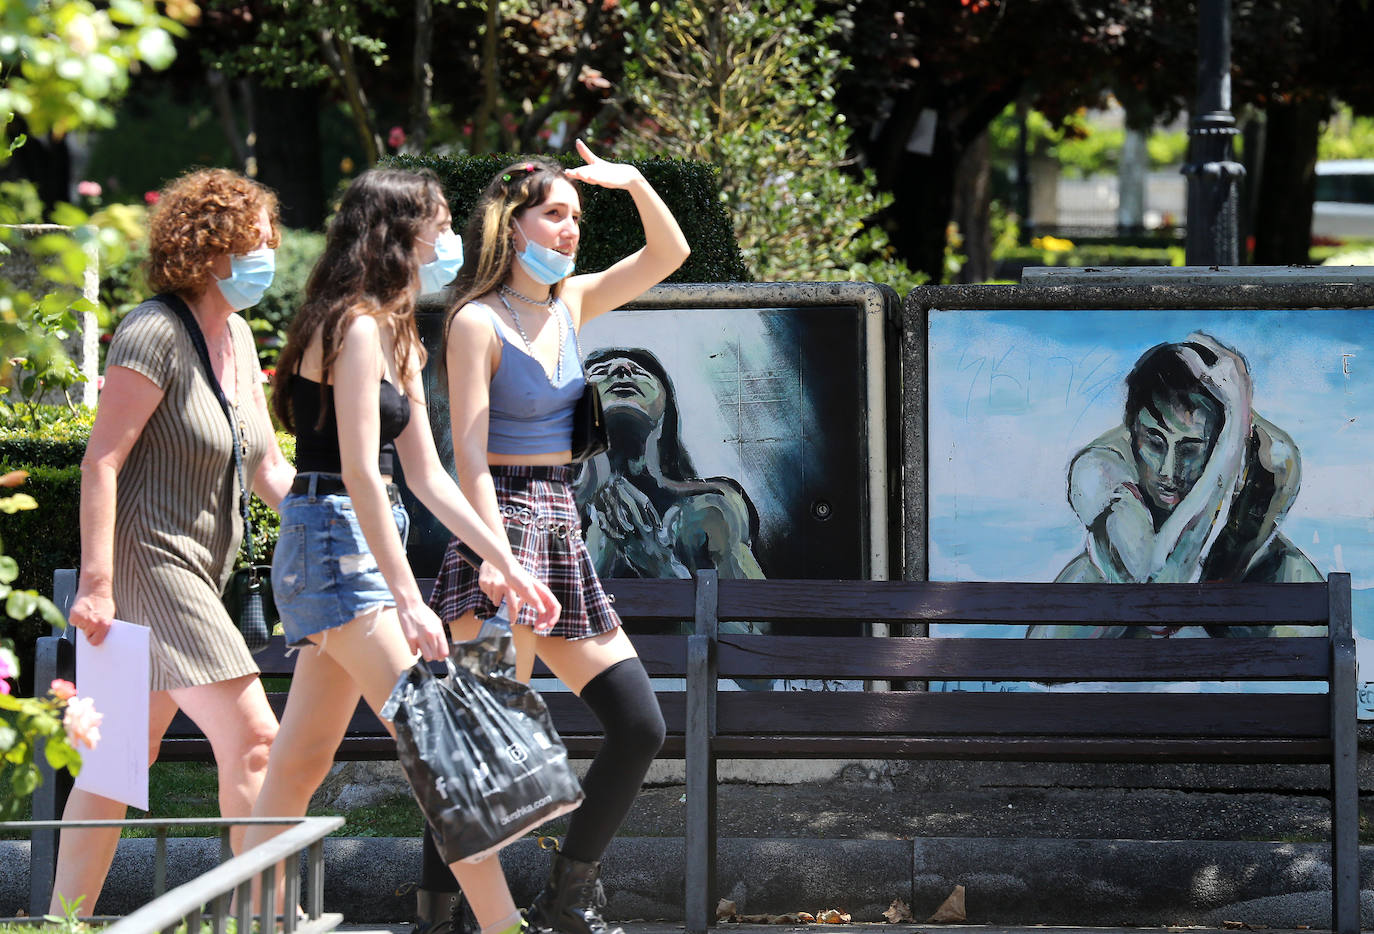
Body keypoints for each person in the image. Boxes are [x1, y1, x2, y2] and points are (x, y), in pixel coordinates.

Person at [239, 168, 560, 934]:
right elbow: (356, 471)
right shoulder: (351, 327)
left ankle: (253, 919)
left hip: (355, 540)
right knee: (441, 746)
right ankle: (504, 925)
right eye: (441, 224)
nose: (452, 239)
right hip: (332, 542)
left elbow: (427, 476)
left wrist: (508, 561)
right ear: (400, 232)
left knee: (299, 761)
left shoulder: (399, 329)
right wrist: (410, 600)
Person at [433, 142, 687, 934]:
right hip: (497, 529)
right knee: (478, 751)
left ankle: (566, 894)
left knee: (640, 724)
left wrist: (633, 182)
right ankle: (438, 916)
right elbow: (467, 460)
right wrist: (497, 562)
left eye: (577, 217)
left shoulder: (569, 304)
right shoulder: (476, 320)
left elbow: (668, 252)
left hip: (559, 521)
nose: (572, 229)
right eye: (556, 214)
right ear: (512, 227)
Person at [50, 168, 295, 914]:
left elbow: (266, 466)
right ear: (210, 247)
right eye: (255, 238)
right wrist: (96, 583)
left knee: (114, 763)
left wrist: (341, 526)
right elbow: (103, 460)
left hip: (197, 568)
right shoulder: (153, 330)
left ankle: (60, 925)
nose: (269, 252)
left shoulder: (241, 335)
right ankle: (270, 921)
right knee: (257, 739)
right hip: (149, 566)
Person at [1030, 332, 1321, 639]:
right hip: (1124, 588)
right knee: (1051, 640)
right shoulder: (1099, 470)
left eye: (1191, 448)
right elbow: (1157, 604)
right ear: (1132, 430)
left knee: (1310, 623)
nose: (1169, 471)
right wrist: (1231, 441)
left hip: (1228, 583)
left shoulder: (1270, 461)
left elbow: (1208, 584)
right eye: (1154, 443)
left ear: (1221, 442)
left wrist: (1233, 437)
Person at [575, 347, 765, 587]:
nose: (621, 369)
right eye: (600, 371)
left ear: (666, 404)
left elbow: (754, 623)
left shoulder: (711, 505)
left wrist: (659, 564)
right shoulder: (545, 507)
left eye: (640, 371)